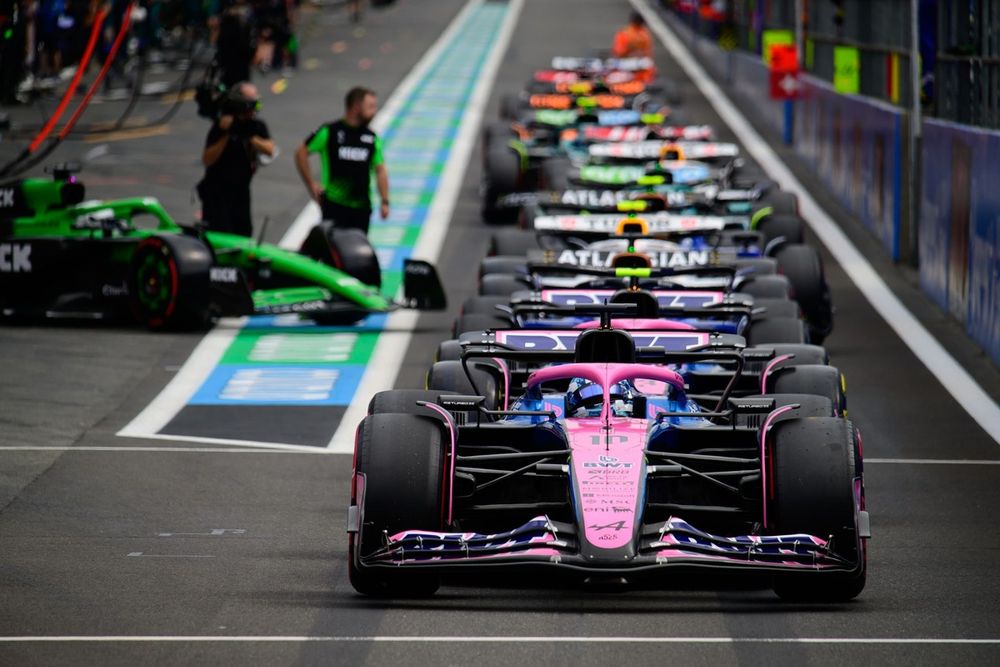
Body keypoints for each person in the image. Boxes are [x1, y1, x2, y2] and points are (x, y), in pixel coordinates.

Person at [295, 86, 389, 234]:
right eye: (370, 107)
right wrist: (311, 184)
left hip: (362, 208)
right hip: (334, 206)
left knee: (356, 254)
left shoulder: (371, 138)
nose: (374, 111)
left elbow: (380, 169)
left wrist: (385, 201)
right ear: (356, 107)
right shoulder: (330, 131)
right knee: (332, 253)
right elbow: (301, 153)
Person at [197, 82, 275, 237]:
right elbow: (207, 159)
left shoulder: (255, 126)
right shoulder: (221, 127)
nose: (255, 108)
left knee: (244, 233)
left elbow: (269, 149)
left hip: (241, 192)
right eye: (252, 103)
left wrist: (247, 135)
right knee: (219, 235)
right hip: (217, 193)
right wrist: (226, 134)